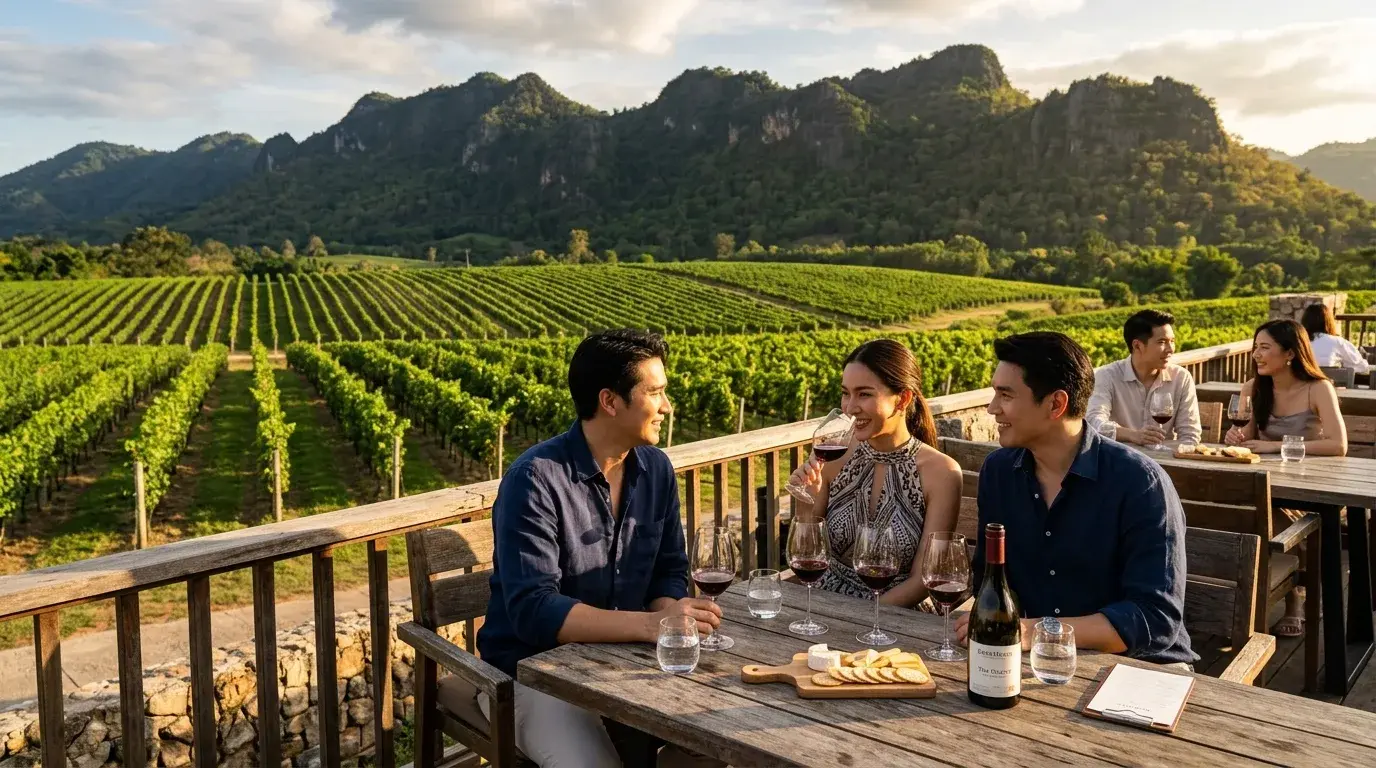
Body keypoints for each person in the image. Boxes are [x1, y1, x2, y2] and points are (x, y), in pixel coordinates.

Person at [477, 330, 724, 768]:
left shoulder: (656, 469)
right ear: (610, 402)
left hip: (624, 662)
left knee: (720, 746)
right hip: (533, 675)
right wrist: (651, 625)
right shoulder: (535, 480)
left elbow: (669, 568)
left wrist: (673, 626)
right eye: (656, 393)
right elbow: (534, 610)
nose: (667, 407)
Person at [954, 331, 1196, 668]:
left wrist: (1036, 631)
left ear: (1056, 404)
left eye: (1006, 395)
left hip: (1140, 665)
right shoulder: (999, 472)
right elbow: (991, 582)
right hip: (1035, 661)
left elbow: (1154, 620)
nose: (993, 408)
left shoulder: (1141, 483)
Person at [788, 339, 961, 607]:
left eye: (864, 394)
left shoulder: (942, 473)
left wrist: (868, 616)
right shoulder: (834, 453)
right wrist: (806, 500)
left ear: (903, 399)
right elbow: (807, 552)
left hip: (898, 613)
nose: (849, 407)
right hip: (825, 602)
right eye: (846, 393)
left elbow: (923, 578)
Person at [1225, 318, 1348, 638]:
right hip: (1267, 483)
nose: (1256, 355)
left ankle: (1295, 602)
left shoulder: (1318, 388)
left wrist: (1275, 445)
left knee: (1271, 517)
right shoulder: (1253, 388)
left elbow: (1338, 445)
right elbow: (1248, 437)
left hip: (1309, 487)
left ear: (1291, 353)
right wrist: (1236, 438)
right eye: (1255, 348)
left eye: (1265, 348)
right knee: (1247, 512)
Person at [1086, 309, 1202, 446]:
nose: (1171, 349)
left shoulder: (1181, 378)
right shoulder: (1107, 376)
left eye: (1172, 341)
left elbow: (1190, 435)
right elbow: (1093, 422)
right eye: (1162, 342)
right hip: (1120, 462)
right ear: (1137, 345)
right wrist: (1133, 435)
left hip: (1167, 463)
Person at [1301, 303, 1371, 374]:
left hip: (1301, 383)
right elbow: (1362, 368)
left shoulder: (1298, 341)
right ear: (1329, 321)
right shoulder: (1337, 342)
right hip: (1330, 383)